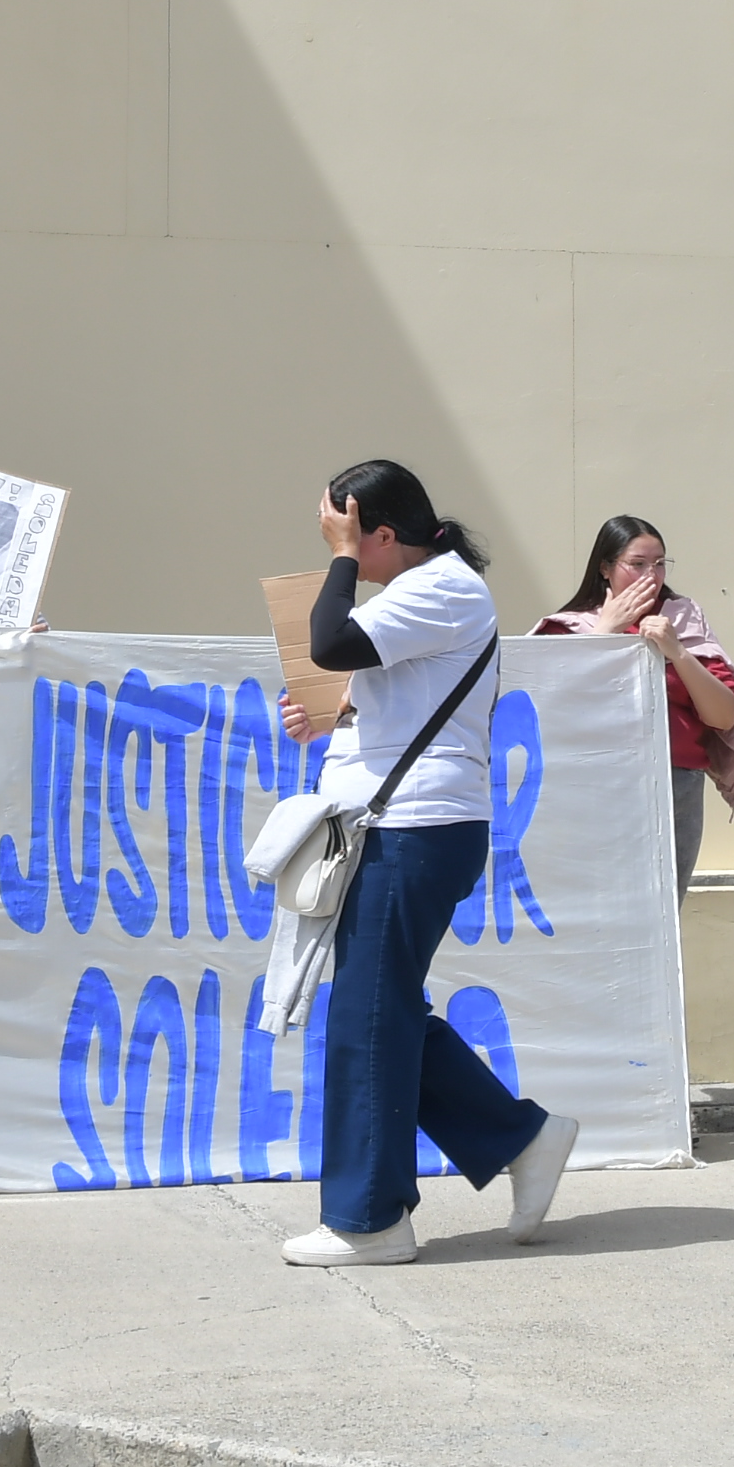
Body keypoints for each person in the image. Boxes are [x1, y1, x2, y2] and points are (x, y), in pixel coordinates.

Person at [279, 460, 573, 1266]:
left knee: (368, 1016)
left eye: (346, 532)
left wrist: (340, 560)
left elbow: (332, 640)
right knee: (382, 1009)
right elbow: (384, 690)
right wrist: (333, 722)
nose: (339, 549)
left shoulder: (439, 587)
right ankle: (520, 1137)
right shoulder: (427, 589)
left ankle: (370, 1221)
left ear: (382, 532)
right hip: (400, 825)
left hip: (414, 828)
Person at [531, 515, 734, 895]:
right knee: (596, 905)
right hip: (593, 787)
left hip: (675, 784)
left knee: (664, 909)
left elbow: (723, 715)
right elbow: (547, 705)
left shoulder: (683, 620)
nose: (652, 575)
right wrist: (605, 633)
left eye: (660, 563)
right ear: (605, 568)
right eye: (637, 564)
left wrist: (677, 653)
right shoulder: (569, 628)